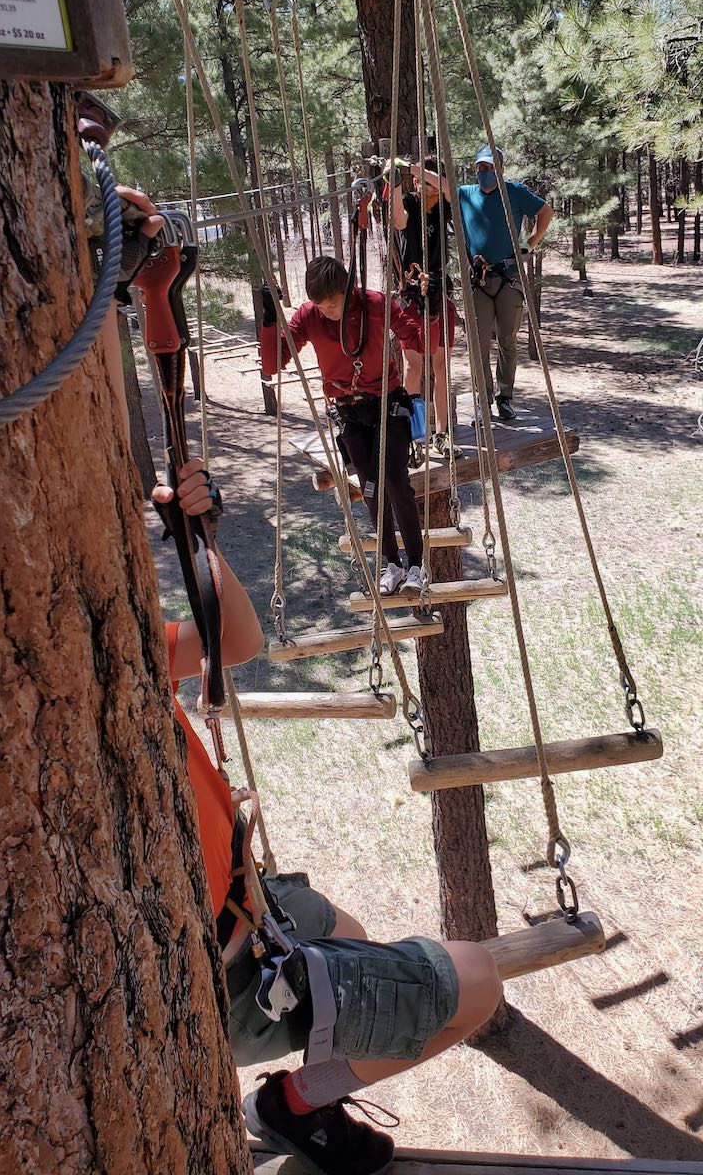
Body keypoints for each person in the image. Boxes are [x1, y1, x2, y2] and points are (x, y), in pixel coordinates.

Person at [103, 193, 503, 1175]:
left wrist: (194, 535)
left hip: (240, 908)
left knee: (350, 926)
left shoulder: (106, 652)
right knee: (476, 979)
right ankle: (291, 1094)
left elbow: (233, 639)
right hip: (229, 969)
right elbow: (282, 349)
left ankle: (302, 1090)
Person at [259, 255, 429, 597]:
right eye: (321, 306)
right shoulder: (309, 316)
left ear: (348, 291)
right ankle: (390, 563)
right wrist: (267, 321)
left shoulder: (376, 305)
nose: (327, 312)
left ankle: (416, 565)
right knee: (369, 487)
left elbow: (416, 336)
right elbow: (273, 363)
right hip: (348, 412)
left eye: (333, 304)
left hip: (387, 404)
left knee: (396, 481)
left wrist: (424, 308)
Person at [458, 145, 554, 421]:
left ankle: (505, 396)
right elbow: (440, 185)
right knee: (477, 344)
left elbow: (545, 212)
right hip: (479, 280)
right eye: (480, 167)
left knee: (507, 341)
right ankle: (483, 398)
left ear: (500, 168)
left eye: (489, 167)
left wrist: (530, 244)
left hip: (508, 278)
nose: (484, 172)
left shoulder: (514, 192)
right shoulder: (465, 194)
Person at [389, 155, 462, 460]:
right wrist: (394, 180)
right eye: (418, 181)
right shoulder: (409, 203)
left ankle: (441, 435)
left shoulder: (443, 208)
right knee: (413, 368)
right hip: (412, 298)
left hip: (438, 294)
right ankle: (414, 437)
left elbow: (448, 189)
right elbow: (397, 218)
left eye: (426, 180)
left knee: (441, 367)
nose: (422, 185)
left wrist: (417, 169)